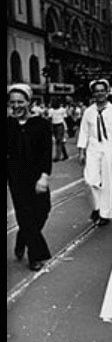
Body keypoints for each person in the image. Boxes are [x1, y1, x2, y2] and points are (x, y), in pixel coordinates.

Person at [7, 84, 53, 271]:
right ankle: (36, 256)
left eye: (20, 101)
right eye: (12, 102)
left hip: (37, 176)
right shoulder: (8, 124)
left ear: (29, 102)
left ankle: (22, 237)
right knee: (25, 214)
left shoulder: (41, 124)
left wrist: (44, 177)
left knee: (42, 210)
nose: (16, 106)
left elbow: (46, 153)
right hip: (15, 177)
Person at [77, 79, 112, 226]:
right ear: (93, 93)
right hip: (93, 147)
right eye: (96, 91)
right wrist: (81, 151)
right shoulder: (88, 112)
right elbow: (84, 132)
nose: (99, 93)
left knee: (107, 181)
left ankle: (105, 214)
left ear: (107, 92)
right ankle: (97, 207)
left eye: (102, 91)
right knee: (90, 180)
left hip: (109, 148)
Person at [47, 97, 68, 161]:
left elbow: (65, 118)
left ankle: (57, 157)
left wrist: (66, 127)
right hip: (54, 125)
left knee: (58, 141)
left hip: (60, 125)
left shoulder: (62, 110)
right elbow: (50, 118)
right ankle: (65, 154)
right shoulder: (51, 110)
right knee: (59, 141)